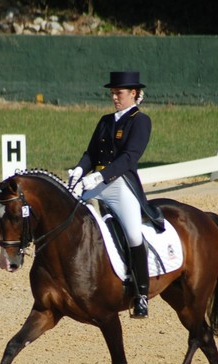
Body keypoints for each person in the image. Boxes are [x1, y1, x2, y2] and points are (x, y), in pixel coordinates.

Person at [67, 71, 162, 319]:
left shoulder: (141, 121)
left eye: (118, 93)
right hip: (95, 183)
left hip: (121, 185)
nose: (114, 98)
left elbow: (130, 157)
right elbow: (91, 153)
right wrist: (79, 169)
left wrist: (101, 175)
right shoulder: (105, 120)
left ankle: (141, 295)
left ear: (133, 93)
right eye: (112, 93)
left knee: (132, 233)